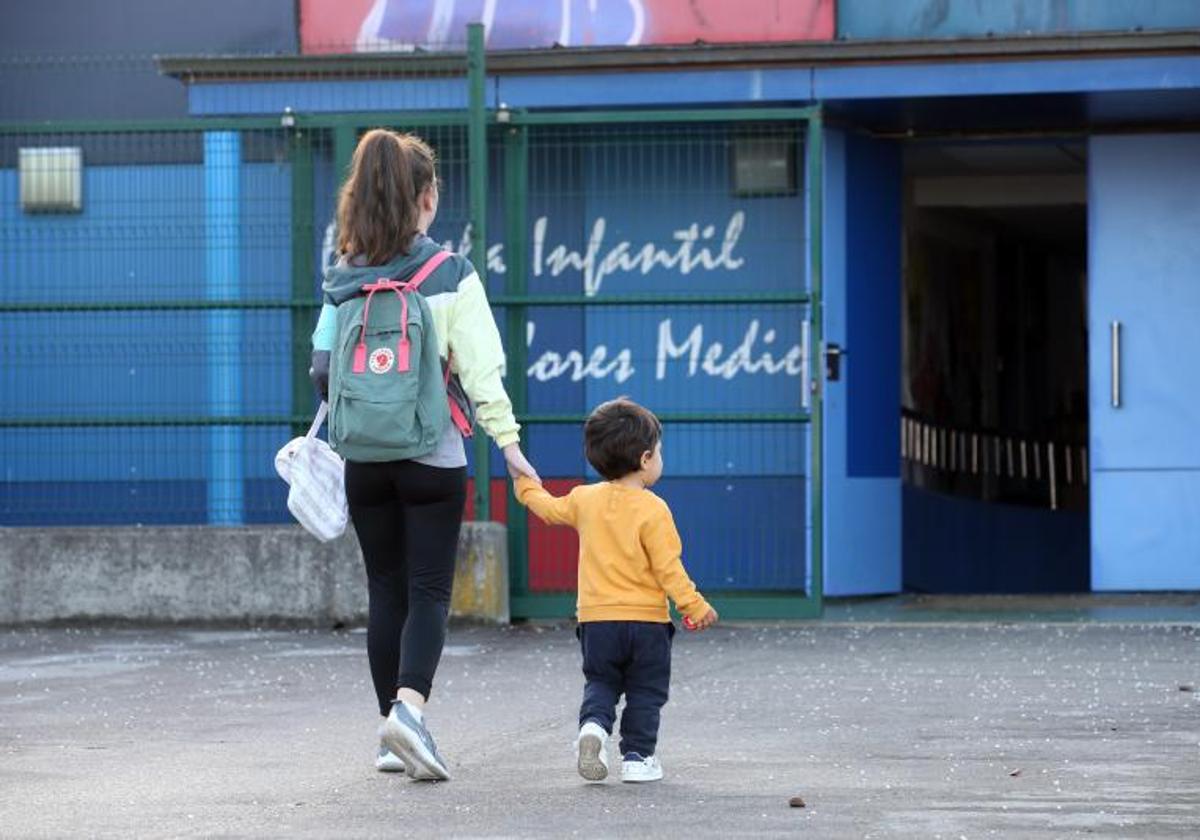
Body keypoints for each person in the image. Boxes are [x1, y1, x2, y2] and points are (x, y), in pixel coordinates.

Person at [309, 129, 538, 780]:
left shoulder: (344, 279)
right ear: (428, 198)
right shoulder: (451, 274)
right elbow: (484, 370)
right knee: (430, 588)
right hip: (432, 456)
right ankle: (409, 711)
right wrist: (510, 446)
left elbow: (322, 371)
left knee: (386, 590)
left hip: (364, 460)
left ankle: (390, 735)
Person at [512, 397, 718, 783]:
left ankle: (592, 728)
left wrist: (523, 484)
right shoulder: (654, 509)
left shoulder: (583, 499)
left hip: (597, 620)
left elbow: (548, 508)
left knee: (601, 682)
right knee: (645, 691)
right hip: (647, 625)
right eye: (659, 452)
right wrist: (694, 606)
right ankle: (638, 758)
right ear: (644, 460)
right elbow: (668, 568)